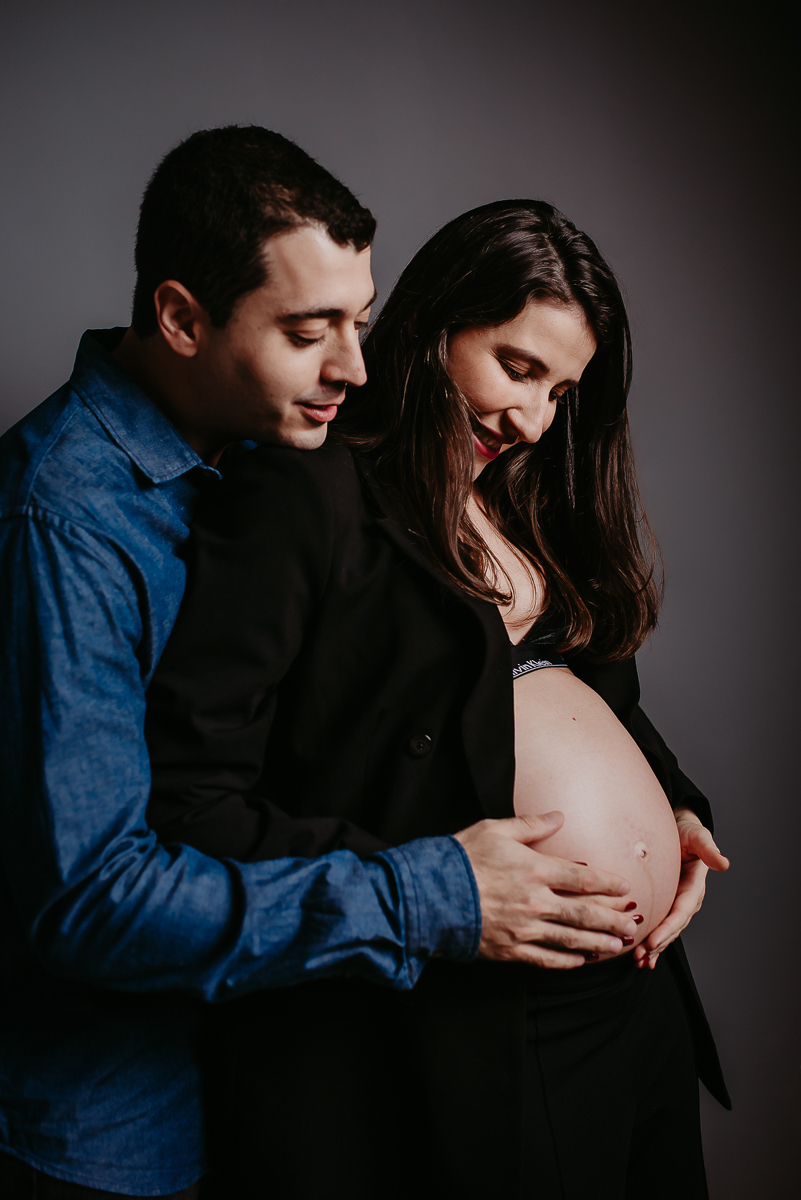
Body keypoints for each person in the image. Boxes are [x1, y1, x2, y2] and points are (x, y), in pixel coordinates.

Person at [0, 130, 636, 1200]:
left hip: (262, 1067)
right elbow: (92, 901)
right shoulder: (64, 523)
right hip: (108, 1124)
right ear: (182, 319)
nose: (354, 365)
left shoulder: (262, 446)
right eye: (309, 331)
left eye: (362, 321)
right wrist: (431, 894)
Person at [144, 200, 731, 1198]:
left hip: (638, 1005)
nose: (535, 420)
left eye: (562, 390)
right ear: (432, 327)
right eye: (517, 367)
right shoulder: (312, 495)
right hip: (481, 1014)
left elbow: (606, 704)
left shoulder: (520, 502)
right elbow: (192, 797)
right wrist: (438, 886)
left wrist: (673, 813)